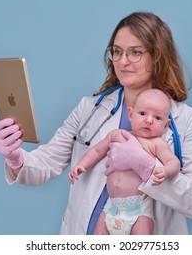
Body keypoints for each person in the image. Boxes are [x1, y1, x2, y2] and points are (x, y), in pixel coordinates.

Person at [0, 11, 192, 234]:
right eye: (117, 51)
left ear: (158, 57)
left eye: (135, 52)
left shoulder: (187, 121)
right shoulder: (90, 109)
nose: (122, 61)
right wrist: (16, 158)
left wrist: (146, 166)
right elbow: (47, 163)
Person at [68, 89, 180, 235]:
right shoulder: (117, 134)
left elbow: (173, 162)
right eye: (142, 113)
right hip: (111, 207)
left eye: (157, 118)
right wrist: (82, 165)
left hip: (139, 210)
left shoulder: (156, 144)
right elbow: (96, 151)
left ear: (166, 125)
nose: (149, 120)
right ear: (130, 114)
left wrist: (165, 171)